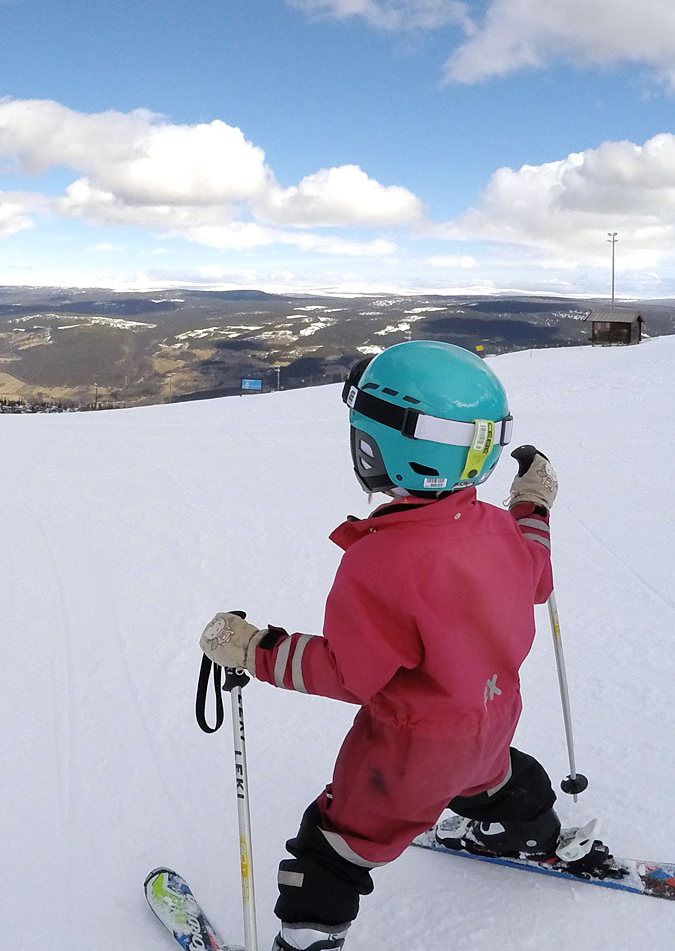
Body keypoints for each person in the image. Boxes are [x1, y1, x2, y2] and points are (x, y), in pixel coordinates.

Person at [199, 340, 563, 951]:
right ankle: (530, 830)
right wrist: (532, 503)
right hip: (491, 721)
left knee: (333, 848)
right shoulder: (494, 526)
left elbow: (348, 672)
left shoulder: (384, 559)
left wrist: (255, 649)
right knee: (495, 778)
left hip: (410, 752)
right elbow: (537, 572)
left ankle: (309, 936)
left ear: (386, 448)